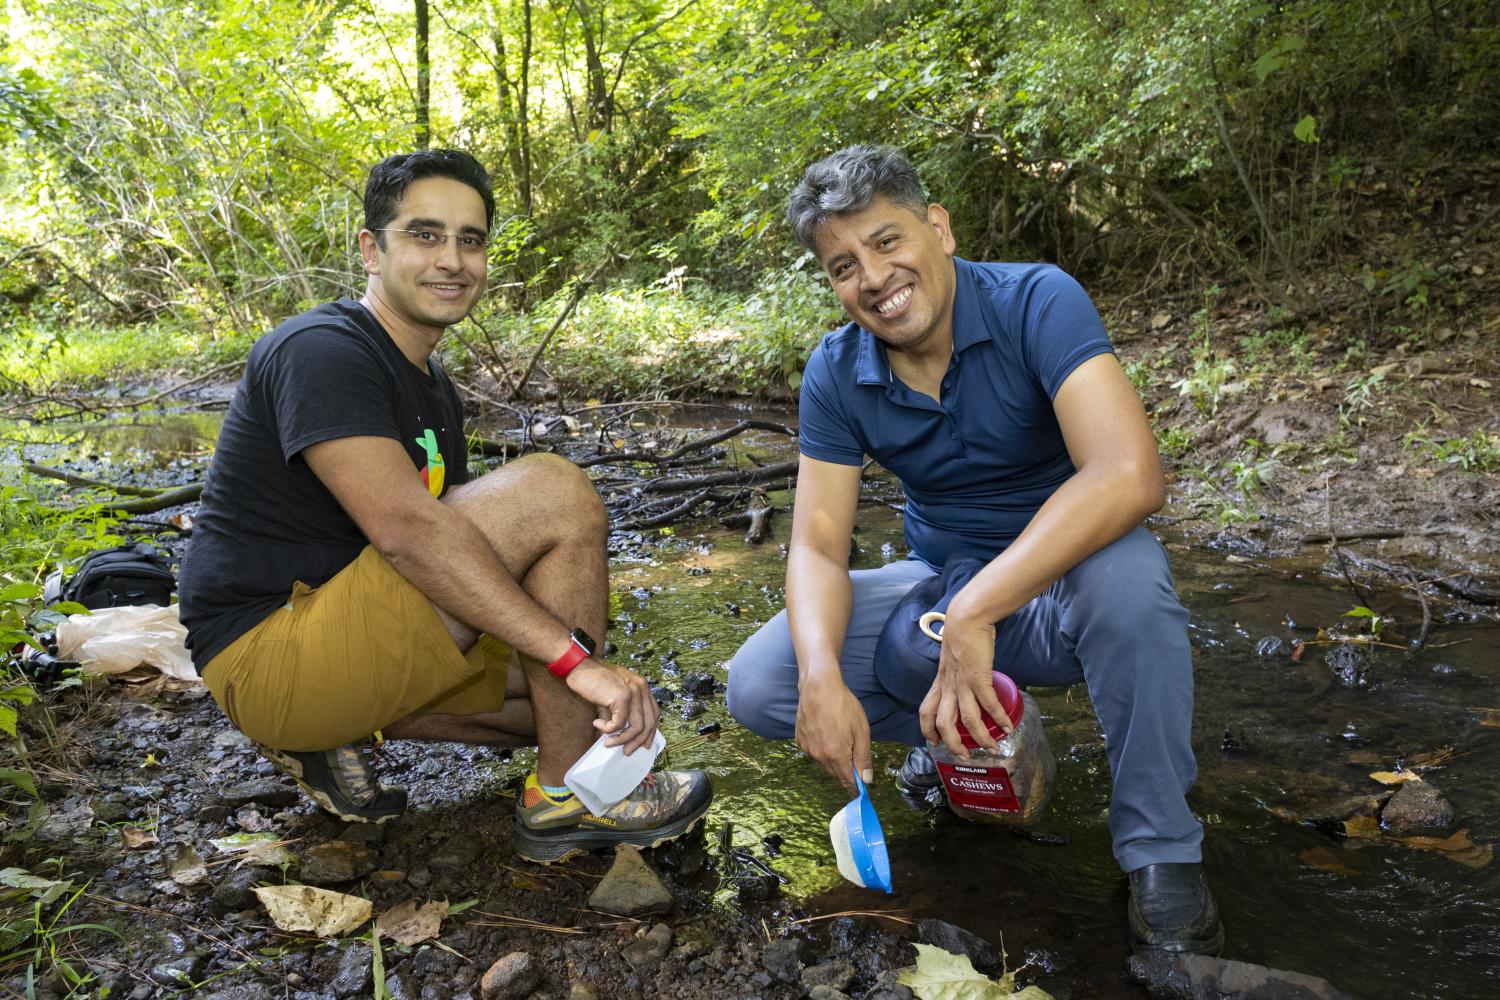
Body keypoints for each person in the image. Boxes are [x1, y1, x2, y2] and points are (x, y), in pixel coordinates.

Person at [725, 145, 1221, 954]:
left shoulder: (1036, 300)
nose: (874, 277)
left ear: (939, 228)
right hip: (941, 576)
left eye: (888, 242)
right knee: (762, 683)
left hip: (1076, 572)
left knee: (1134, 593)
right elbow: (817, 544)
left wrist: (975, 613)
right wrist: (822, 679)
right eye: (844, 265)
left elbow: (1129, 474)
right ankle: (979, 746)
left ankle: (1163, 851)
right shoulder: (837, 372)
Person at [178, 149, 711, 864]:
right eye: (425, 235)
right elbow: (409, 530)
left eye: (471, 239)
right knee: (555, 491)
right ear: (372, 249)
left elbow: (463, 530)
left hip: (348, 628)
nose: (453, 259)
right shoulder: (321, 351)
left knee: (575, 718)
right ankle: (565, 803)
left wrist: (573, 674)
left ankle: (373, 736)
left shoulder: (430, 386)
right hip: (272, 652)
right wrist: (575, 658)